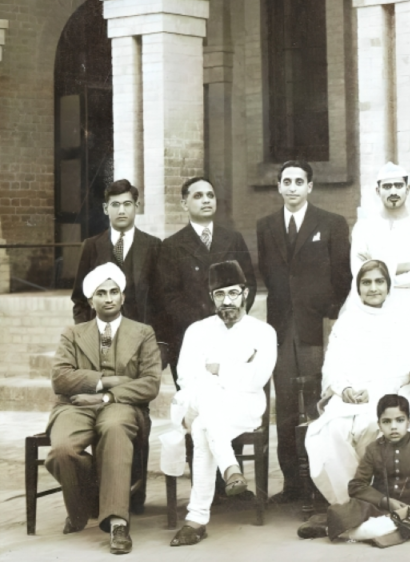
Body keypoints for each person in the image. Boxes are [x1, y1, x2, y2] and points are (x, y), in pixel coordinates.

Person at [46, 263, 162, 555]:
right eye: (101, 293)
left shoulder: (143, 332)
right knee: (62, 451)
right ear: (90, 300)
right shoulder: (73, 333)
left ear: (123, 297)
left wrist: (109, 397)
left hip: (121, 406)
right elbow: (60, 378)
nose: (109, 298)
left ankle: (117, 522)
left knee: (113, 429)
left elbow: (150, 384)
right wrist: (104, 381)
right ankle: (87, 502)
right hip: (75, 406)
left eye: (114, 292)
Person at [302, 260, 410, 509]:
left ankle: (380, 498)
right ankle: (352, 502)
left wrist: (383, 386)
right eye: (366, 282)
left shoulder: (406, 319)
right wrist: (346, 390)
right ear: (358, 287)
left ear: (388, 285)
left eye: (379, 281)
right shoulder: (346, 322)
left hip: (394, 393)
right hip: (352, 397)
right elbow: (332, 365)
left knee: (374, 423)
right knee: (332, 432)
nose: (373, 288)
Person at [256, 160, 353, 503]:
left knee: (317, 404)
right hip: (281, 328)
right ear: (279, 187)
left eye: (299, 181)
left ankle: (320, 482)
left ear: (310, 186)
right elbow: (269, 274)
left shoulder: (332, 223)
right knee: (284, 405)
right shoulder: (265, 226)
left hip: (317, 327)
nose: (293, 187)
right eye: (287, 181)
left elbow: (343, 276)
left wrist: (326, 313)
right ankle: (292, 484)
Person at [166, 261, 277, 546]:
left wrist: (218, 370)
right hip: (207, 408)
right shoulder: (197, 331)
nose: (227, 301)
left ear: (246, 293)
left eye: (233, 293)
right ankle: (226, 476)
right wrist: (233, 371)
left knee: (205, 413)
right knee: (204, 425)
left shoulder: (264, 332)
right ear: (210, 297)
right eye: (219, 294)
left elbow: (256, 380)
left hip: (246, 407)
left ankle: (197, 518)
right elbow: (185, 378)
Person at [298, 395, 410, 542]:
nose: (393, 426)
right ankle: (334, 524)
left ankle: (336, 530)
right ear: (379, 425)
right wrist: (384, 501)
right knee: (347, 510)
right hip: (380, 507)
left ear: (409, 422)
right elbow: (357, 486)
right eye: (387, 421)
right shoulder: (374, 449)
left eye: (400, 420)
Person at [158, 177, 257, 383]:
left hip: (231, 332)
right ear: (184, 204)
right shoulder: (172, 245)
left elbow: (249, 285)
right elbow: (169, 296)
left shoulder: (232, 239)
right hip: (191, 336)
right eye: (198, 196)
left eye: (210, 195)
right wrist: (204, 322)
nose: (206, 200)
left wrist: (230, 314)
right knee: (196, 403)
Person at [350, 162, 410, 357]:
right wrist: (404, 267)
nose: (393, 191)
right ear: (377, 190)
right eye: (387, 187)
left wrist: (378, 268)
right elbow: (358, 271)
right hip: (375, 304)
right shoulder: (363, 228)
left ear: (408, 189)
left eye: (398, 186)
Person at [71, 179, 160, 327]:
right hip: (101, 337)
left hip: (141, 336)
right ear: (106, 208)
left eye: (127, 204)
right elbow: (80, 299)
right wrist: (86, 337)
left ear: (136, 206)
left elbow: (160, 300)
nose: (121, 211)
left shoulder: (153, 245)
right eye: (115, 205)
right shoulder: (91, 246)